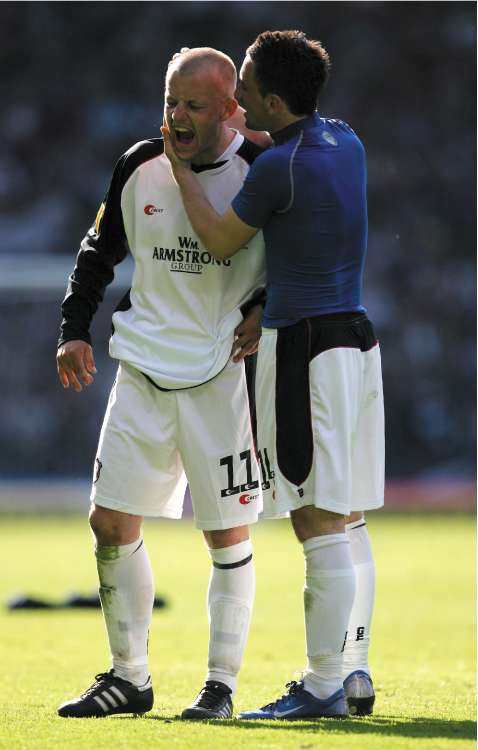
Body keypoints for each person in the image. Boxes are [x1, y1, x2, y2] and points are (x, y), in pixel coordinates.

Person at [162, 29, 384, 720]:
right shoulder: (345, 140)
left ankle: (320, 687)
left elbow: (219, 238)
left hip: (306, 350)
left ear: (277, 100)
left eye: (248, 90)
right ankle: (352, 671)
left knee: (316, 520)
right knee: (346, 517)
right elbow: (304, 201)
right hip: (357, 339)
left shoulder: (276, 168)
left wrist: (177, 168)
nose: (236, 102)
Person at [56, 46, 273, 721]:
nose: (176, 116)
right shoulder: (138, 165)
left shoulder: (261, 171)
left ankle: (221, 686)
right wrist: (73, 329)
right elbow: (98, 252)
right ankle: (129, 677)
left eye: (193, 105)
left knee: (227, 534)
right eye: (170, 102)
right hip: (143, 370)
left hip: (218, 377)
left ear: (229, 109)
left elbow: (302, 253)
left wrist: (266, 304)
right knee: (109, 522)